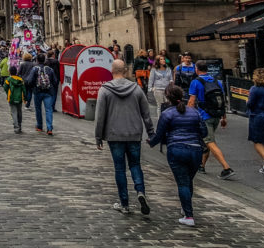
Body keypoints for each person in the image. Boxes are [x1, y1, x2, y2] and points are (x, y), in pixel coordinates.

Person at [94, 59, 154, 215]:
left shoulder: (105, 90)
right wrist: (152, 133)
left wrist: (98, 136)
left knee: (120, 169)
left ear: (111, 71)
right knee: (135, 165)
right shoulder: (136, 89)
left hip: (114, 135)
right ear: (126, 71)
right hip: (134, 134)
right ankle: (140, 191)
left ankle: (124, 203)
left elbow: (100, 116)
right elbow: (146, 114)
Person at [148, 85, 207, 227]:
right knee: (188, 180)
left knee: (182, 183)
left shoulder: (167, 114)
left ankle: (189, 215)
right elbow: (204, 132)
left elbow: (159, 134)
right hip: (195, 150)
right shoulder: (194, 112)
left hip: (177, 149)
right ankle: (185, 207)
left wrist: (151, 142)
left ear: (168, 98)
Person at [186, 60, 234, 179]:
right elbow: (222, 100)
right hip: (216, 115)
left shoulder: (195, 82)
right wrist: (224, 117)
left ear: (196, 69)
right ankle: (201, 165)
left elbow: (191, 101)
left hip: (204, 116)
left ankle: (226, 168)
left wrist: (186, 116)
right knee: (206, 142)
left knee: (209, 142)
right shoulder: (217, 81)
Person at [25, 57, 58, 135]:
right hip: (48, 92)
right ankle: (49, 128)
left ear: (37, 60)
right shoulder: (50, 69)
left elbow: (29, 81)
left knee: (38, 109)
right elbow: (55, 81)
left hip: (37, 91)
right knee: (49, 110)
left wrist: (32, 87)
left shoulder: (34, 69)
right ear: (44, 60)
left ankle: (39, 126)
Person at [3, 65, 26, 134]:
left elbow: (5, 88)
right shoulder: (21, 80)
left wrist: (8, 94)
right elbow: (24, 89)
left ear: (10, 72)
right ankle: (20, 125)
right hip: (19, 98)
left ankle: (16, 128)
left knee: (14, 112)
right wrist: (25, 97)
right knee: (19, 112)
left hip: (11, 98)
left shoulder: (8, 80)